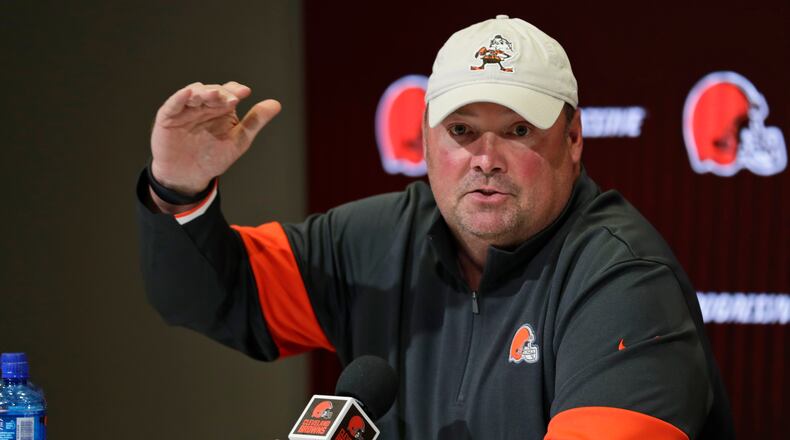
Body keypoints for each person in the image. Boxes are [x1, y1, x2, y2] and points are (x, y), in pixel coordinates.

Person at [137, 15, 734, 439]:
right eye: (462, 131)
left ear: (573, 138)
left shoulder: (625, 282)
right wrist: (178, 189)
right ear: (426, 141)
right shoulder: (377, 240)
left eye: (518, 130)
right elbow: (217, 295)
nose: (486, 158)